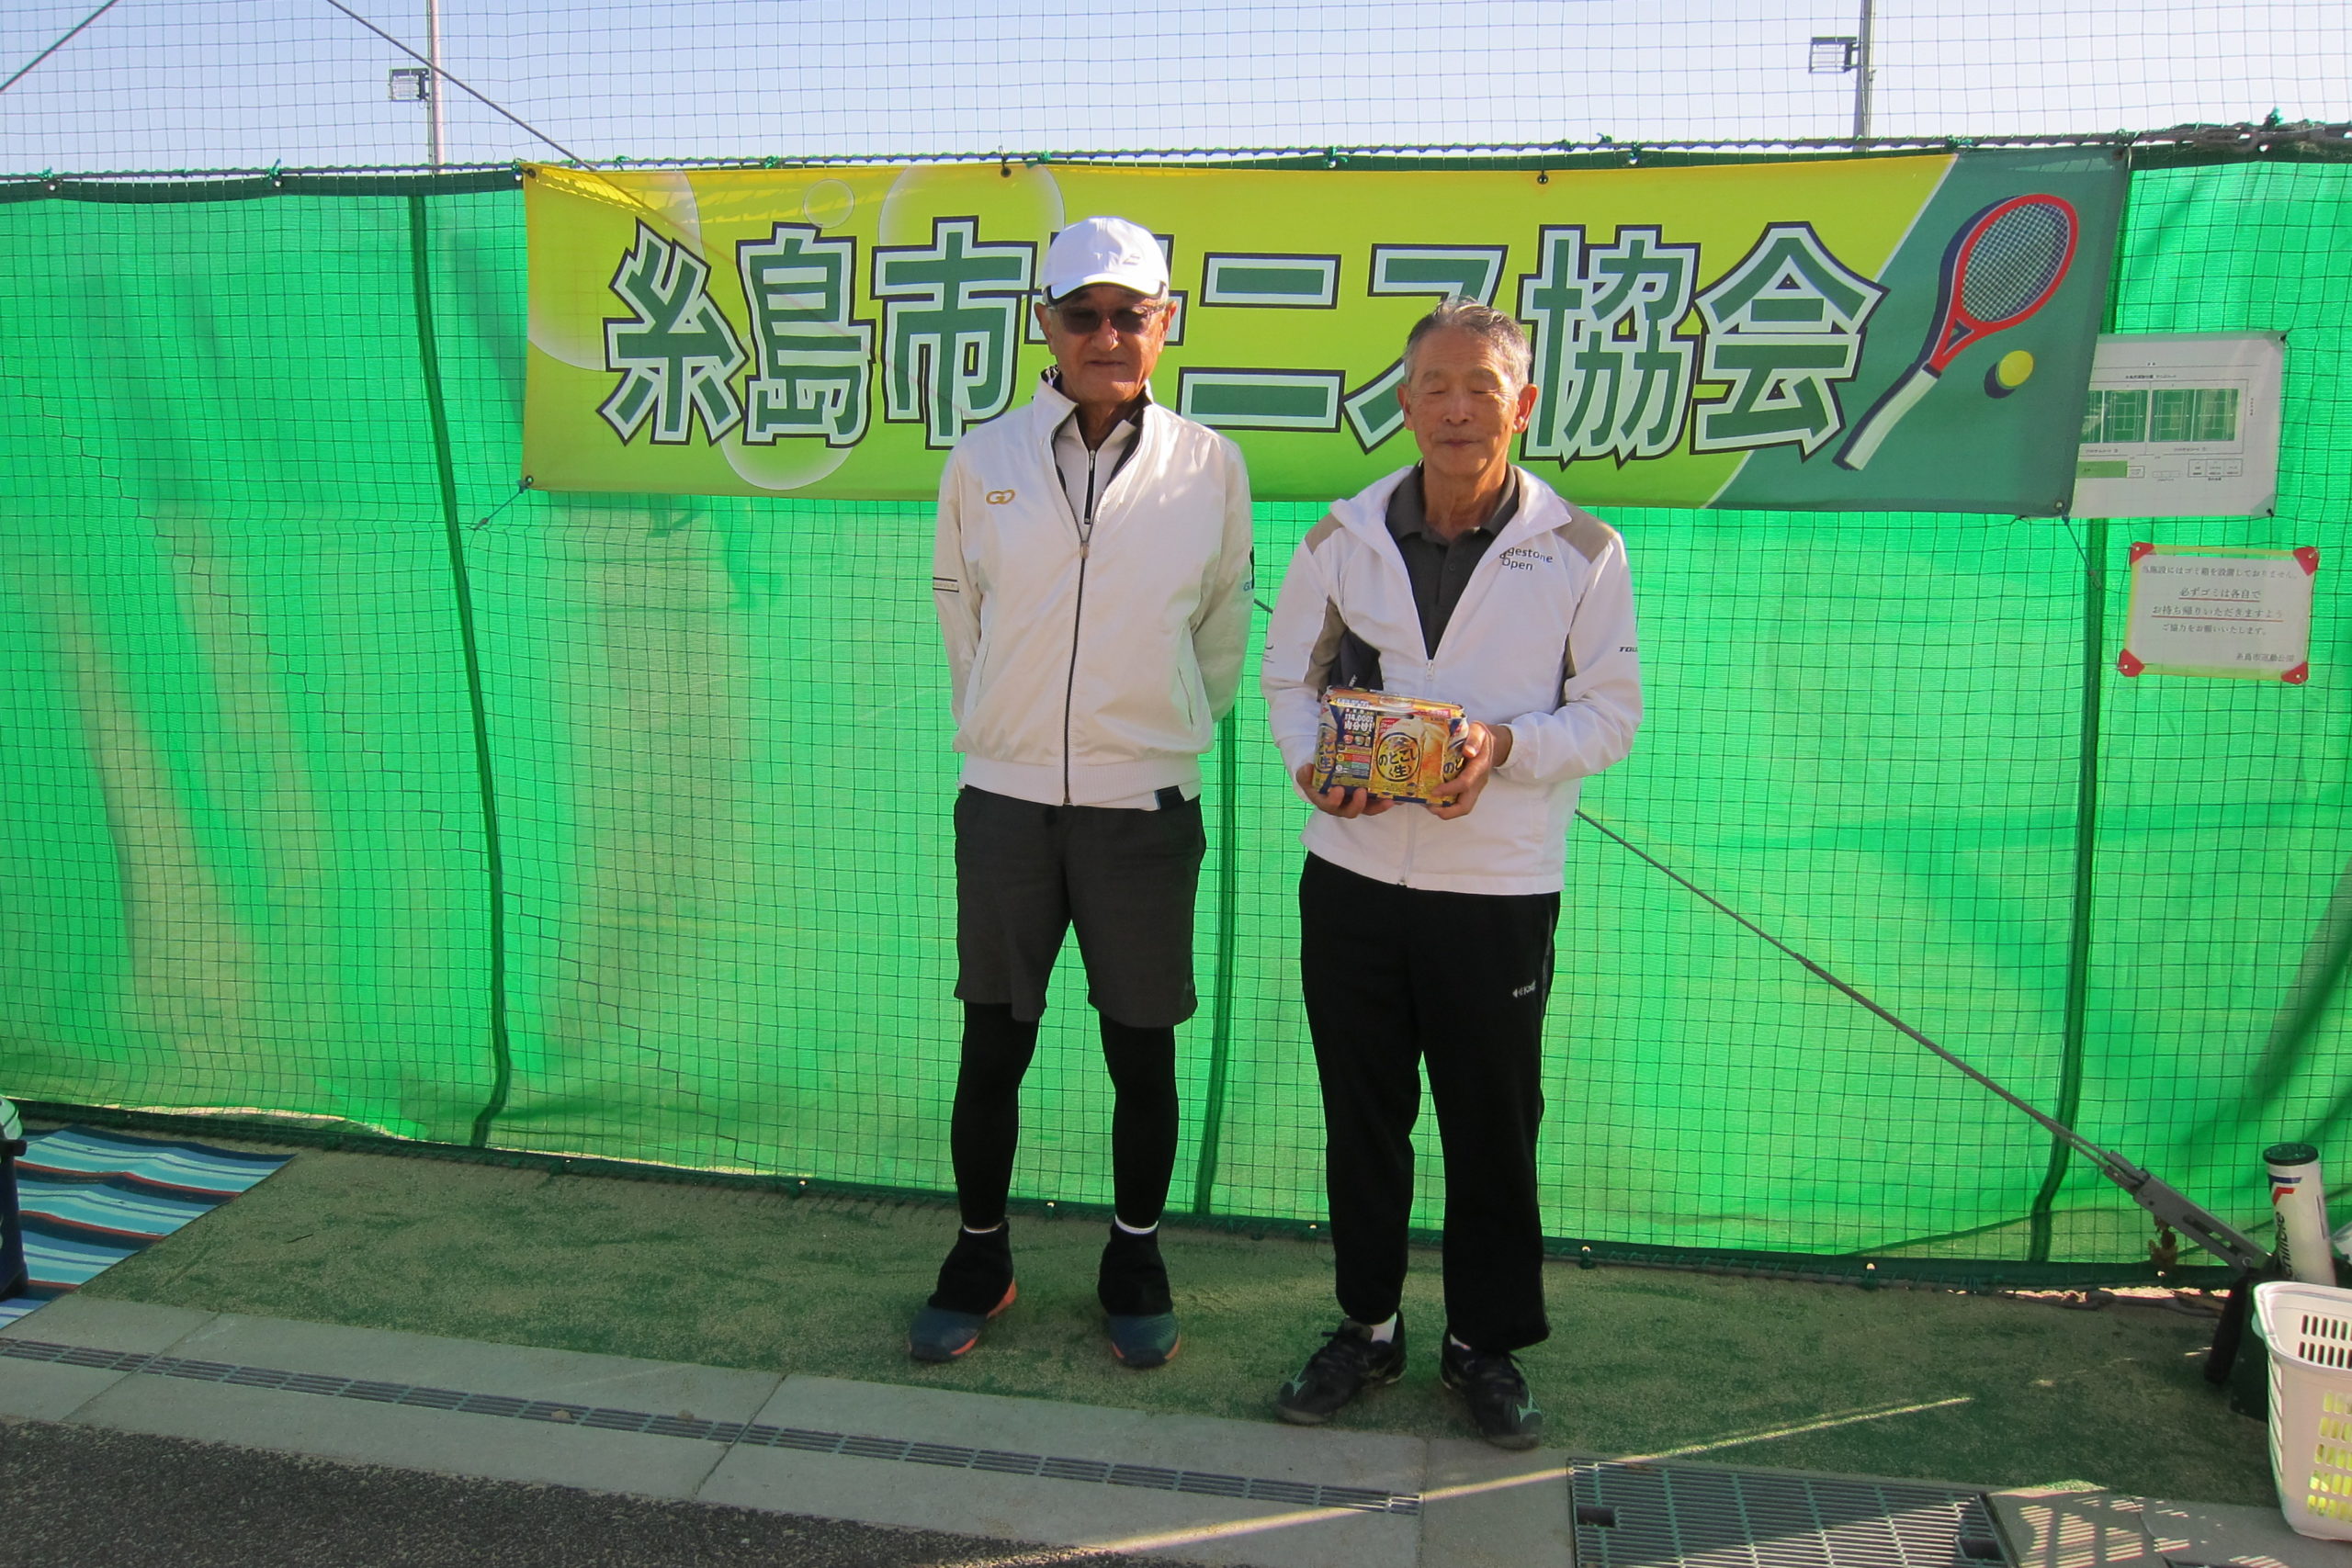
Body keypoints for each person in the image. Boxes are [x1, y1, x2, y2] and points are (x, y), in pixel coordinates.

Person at [1258, 298, 1641, 1448]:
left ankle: (1485, 1344)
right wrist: (1314, 768)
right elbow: (1288, 681)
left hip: (1498, 891)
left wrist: (1502, 746)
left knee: (1491, 1124)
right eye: (1435, 386)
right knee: (1361, 1115)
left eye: (1482, 387)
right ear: (1405, 403)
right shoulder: (1338, 539)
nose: (1457, 409)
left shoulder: (1581, 550)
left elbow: (1610, 714)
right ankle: (1366, 1328)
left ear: (1522, 407)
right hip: (1352, 878)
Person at [914, 215, 1253, 1371]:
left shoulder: (1209, 466)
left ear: (1165, 323)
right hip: (1005, 804)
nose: (1107, 335)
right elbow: (961, 611)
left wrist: (1156, 734)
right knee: (991, 1045)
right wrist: (1004, 732)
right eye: (1082, 314)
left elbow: (1218, 626)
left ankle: (1135, 1258)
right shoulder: (984, 460)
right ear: (1044, 324)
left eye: (1130, 314)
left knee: (1140, 1051)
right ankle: (980, 1257)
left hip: (1143, 807)